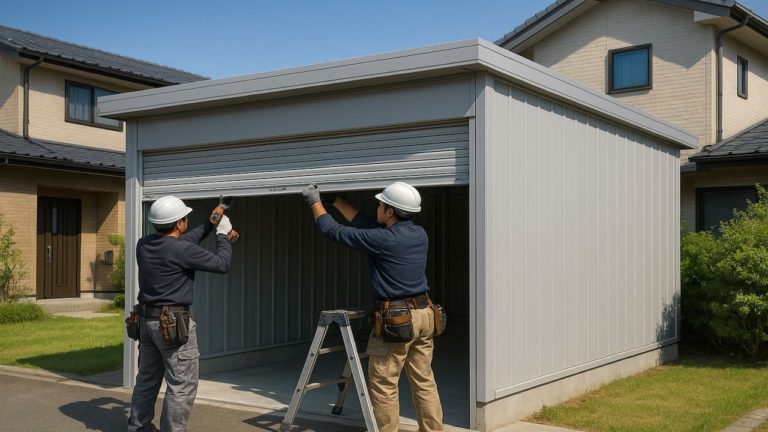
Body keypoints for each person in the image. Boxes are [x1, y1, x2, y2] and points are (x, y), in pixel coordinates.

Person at [301, 182, 444, 432]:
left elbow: (332, 231)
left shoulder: (383, 240)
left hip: (397, 320)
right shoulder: (419, 234)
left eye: (381, 204)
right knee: (424, 381)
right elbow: (367, 224)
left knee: (384, 384)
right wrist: (336, 201)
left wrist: (315, 202)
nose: (377, 207)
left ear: (390, 212)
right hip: (424, 315)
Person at [128, 195, 239, 432]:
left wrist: (213, 219)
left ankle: (138, 427)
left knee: (147, 380)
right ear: (179, 224)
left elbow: (183, 242)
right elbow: (222, 264)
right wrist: (223, 236)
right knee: (181, 384)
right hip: (173, 325)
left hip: (147, 322)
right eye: (185, 218)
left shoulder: (144, 244)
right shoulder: (183, 250)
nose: (187, 221)